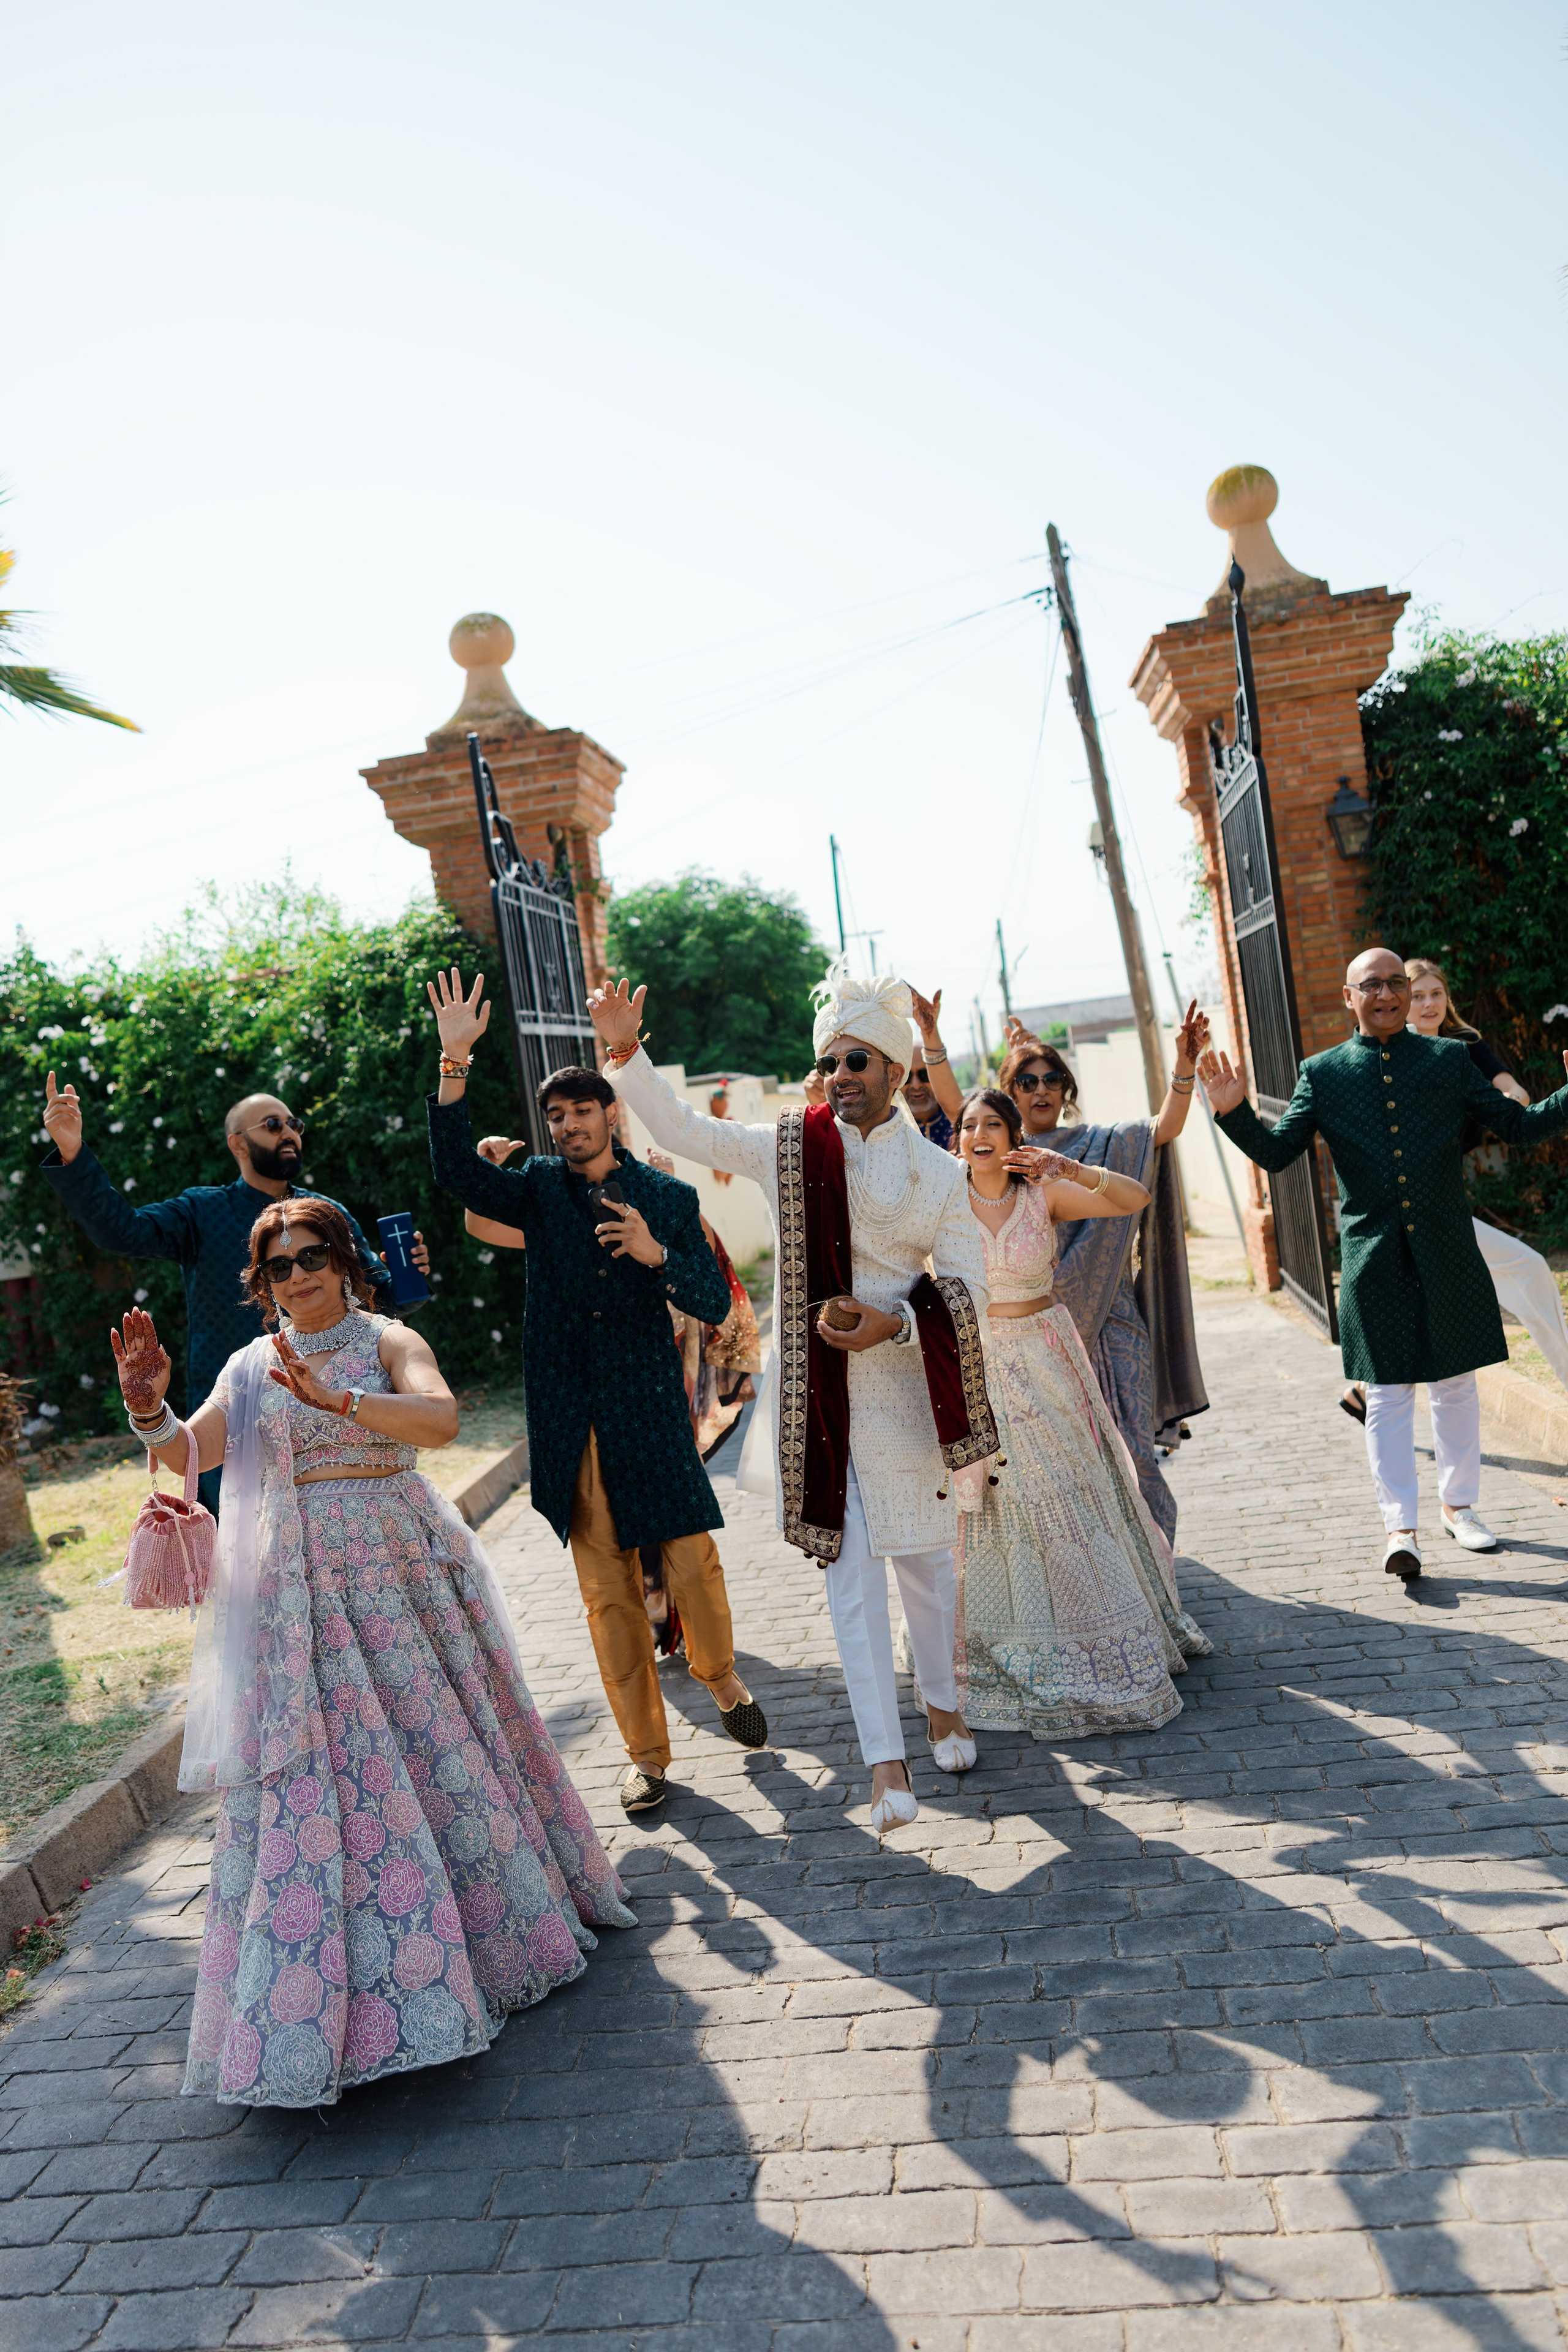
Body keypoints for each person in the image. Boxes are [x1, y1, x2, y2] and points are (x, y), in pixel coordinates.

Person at [107, 1197, 635, 2109]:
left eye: (314, 1255)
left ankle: (480, 1938)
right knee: (321, 1773)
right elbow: (190, 1451)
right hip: (296, 1594)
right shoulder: (248, 1367)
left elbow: (441, 1422)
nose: (300, 1273)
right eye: (280, 1265)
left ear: (347, 1263)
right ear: (262, 1283)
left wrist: (339, 1398)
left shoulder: (386, 1340)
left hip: (400, 1570)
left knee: (435, 1748)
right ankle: (316, 2003)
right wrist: (147, 1408)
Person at [592, 960, 996, 1836]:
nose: (844, 1076)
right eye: (835, 1061)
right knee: (850, 1578)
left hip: (902, 1392)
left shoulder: (937, 1175)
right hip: (820, 1402)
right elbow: (685, 1129)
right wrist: (625, 1050)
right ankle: (885, 1762)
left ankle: (943, 1710)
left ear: (897, 1072)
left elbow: (970, 1287)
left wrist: (893, 1323)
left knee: (926, 1567)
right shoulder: (788, 1147)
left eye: (862, 1061)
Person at [423, 969, 767, 1816]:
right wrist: (453, 1062)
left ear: (611, 1114)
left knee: (693, 1565)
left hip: (649, 1409)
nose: (569, 1124)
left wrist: (656, 1254)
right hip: (573, 1416)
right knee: (607, 1592)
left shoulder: (667, 1196)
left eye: (582, 1110)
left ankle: (721, 1681)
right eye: (557, 1115)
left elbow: (713, 1299)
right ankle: (646, 1756)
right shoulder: (539, 1192)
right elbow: (458, 1178)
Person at [1200, 946, 1568, 1580]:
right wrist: (1231, 1112)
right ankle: (1400, 1529)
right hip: (1372, 1256)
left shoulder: (1450, 1060)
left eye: (1397, 982)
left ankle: (1460, 1507)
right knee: (1389, 1393)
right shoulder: (1323, 1072)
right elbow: (1280, 1153)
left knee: (1454, 1384)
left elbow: (1518, 1125)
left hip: (1447, 1248)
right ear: (1350, 998)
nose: (1388, 994)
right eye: (1372, 985)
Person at [39, 1072, 423, 1516]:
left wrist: (407, 1275)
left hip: (328, 1413)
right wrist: (73, 1152)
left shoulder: (326, 1215)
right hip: (230, 1416)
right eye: (273, 1125)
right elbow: (120, 1231)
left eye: (294, 1124)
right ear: (237, 1143)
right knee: (245, 1560)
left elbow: (384, 1301)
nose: (290, 1134)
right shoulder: (201, 1212)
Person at [949, 1088, 1210, 1736]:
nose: (980, 1134)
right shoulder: (942, 1202)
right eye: (969, 1125)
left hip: (1046, 1362)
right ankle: (1014, 1641)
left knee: (1066, 1493)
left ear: (1014, 1138)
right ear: (957, 1139)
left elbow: (1133, 1199)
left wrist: (1072, 1170)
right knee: (1005, 1503)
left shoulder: (1042, 1195)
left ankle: (1099, 1631)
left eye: (993, 1125)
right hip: (977, 1368)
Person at [916, 1008, 1212, 1547]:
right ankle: (1091, 1562)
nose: (1042, 1089)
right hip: (1015, 1350)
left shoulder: (1097, 1145)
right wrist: (933, 1039)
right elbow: (963, 1111)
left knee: (1132, 1452)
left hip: (1111, 1323)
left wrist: (1184, 1067)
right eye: (1026, 1082)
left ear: (1067, 1090)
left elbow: (1162, 1133)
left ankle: (1152, 1561)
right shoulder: (980, 1178)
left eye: (1053, 1079)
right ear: (1010, 1099)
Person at [1340, 960, 1568, 1421]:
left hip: (1443, 1207)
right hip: (1406, 1214)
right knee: (1526, 1270)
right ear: (1401, 1003)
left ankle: (1365, 1391)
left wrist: (1505, 1101)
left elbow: (1515, 1094)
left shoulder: (1465, 1048)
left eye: (1437, 994)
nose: (1428, 1004)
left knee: (1526, 1271)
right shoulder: (1386, 1057)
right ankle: (1371, 1388)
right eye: (1418, 995)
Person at [903, 989, 956, 1151]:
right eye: (907, 1077)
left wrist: (929, 1033)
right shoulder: (887, 1134)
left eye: (925, 1075)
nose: (917, 1085)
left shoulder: (961, 1125)